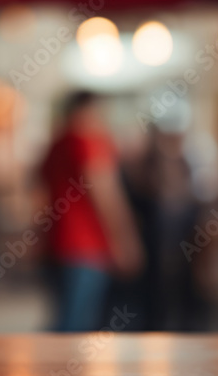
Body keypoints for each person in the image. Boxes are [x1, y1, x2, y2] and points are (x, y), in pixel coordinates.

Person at [40, 91, 143, 331]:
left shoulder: (56, 144)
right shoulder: (89, 141)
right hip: (88, 245)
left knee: (66, 316)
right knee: (77, 324)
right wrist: (125, 240)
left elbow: (41, 193)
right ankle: (67, 369)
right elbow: (106, 196)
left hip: (58, 241)